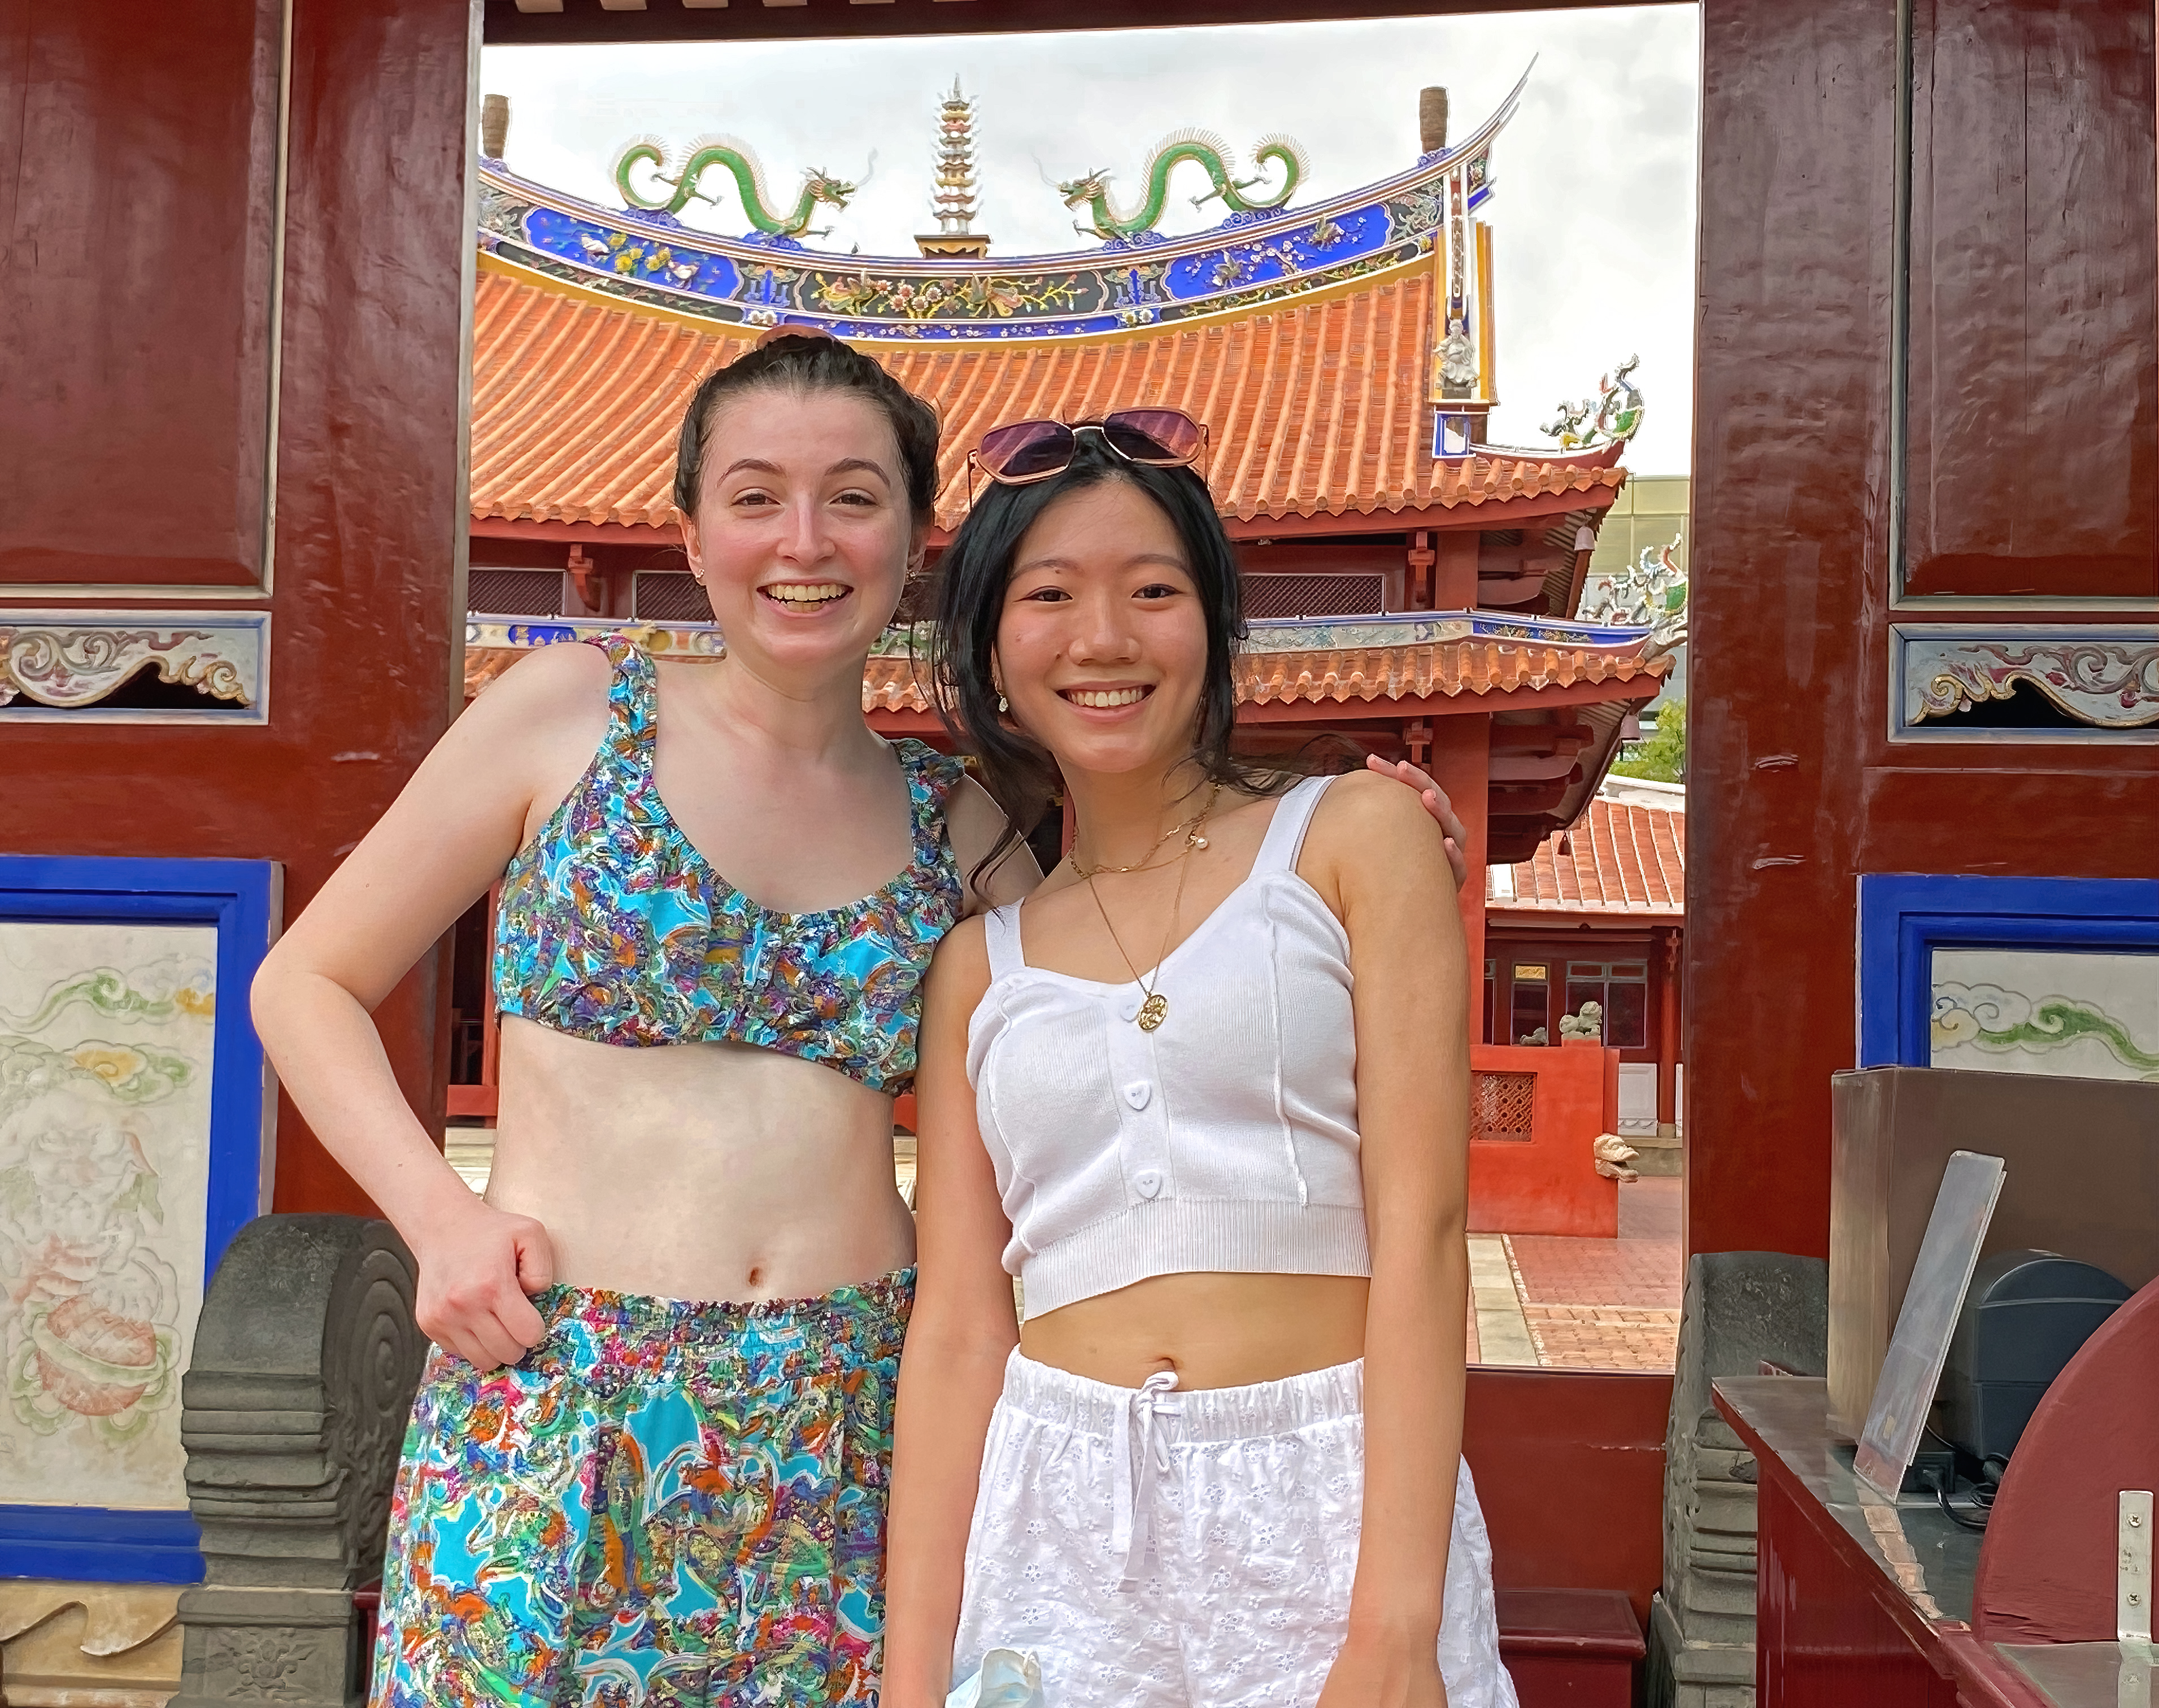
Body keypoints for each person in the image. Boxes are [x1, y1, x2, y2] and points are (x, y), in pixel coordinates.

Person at [251, 340, 1472, 1706]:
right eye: (756, 496)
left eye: (854, 496)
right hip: (561, 1392)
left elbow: (1152, 940)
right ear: (692, 533)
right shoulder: (569, 715)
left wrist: (1360, 847)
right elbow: (304, 985)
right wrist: (440, 1219)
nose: (804, 540)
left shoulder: (964, 824)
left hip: (848, 1416)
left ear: (916, 539)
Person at [882, 413, 1514, 1708]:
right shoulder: (977, 968)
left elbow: (1426, 1224)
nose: (1103, 639)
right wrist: (908, 1683)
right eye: (1048, 595)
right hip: (1058, 1510)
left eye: (1154, 591)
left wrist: (1396, 1629)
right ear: (994, 653)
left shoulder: (1352, 837)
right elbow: (955, 1331)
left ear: (1217, 632)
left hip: (1324, 1486)